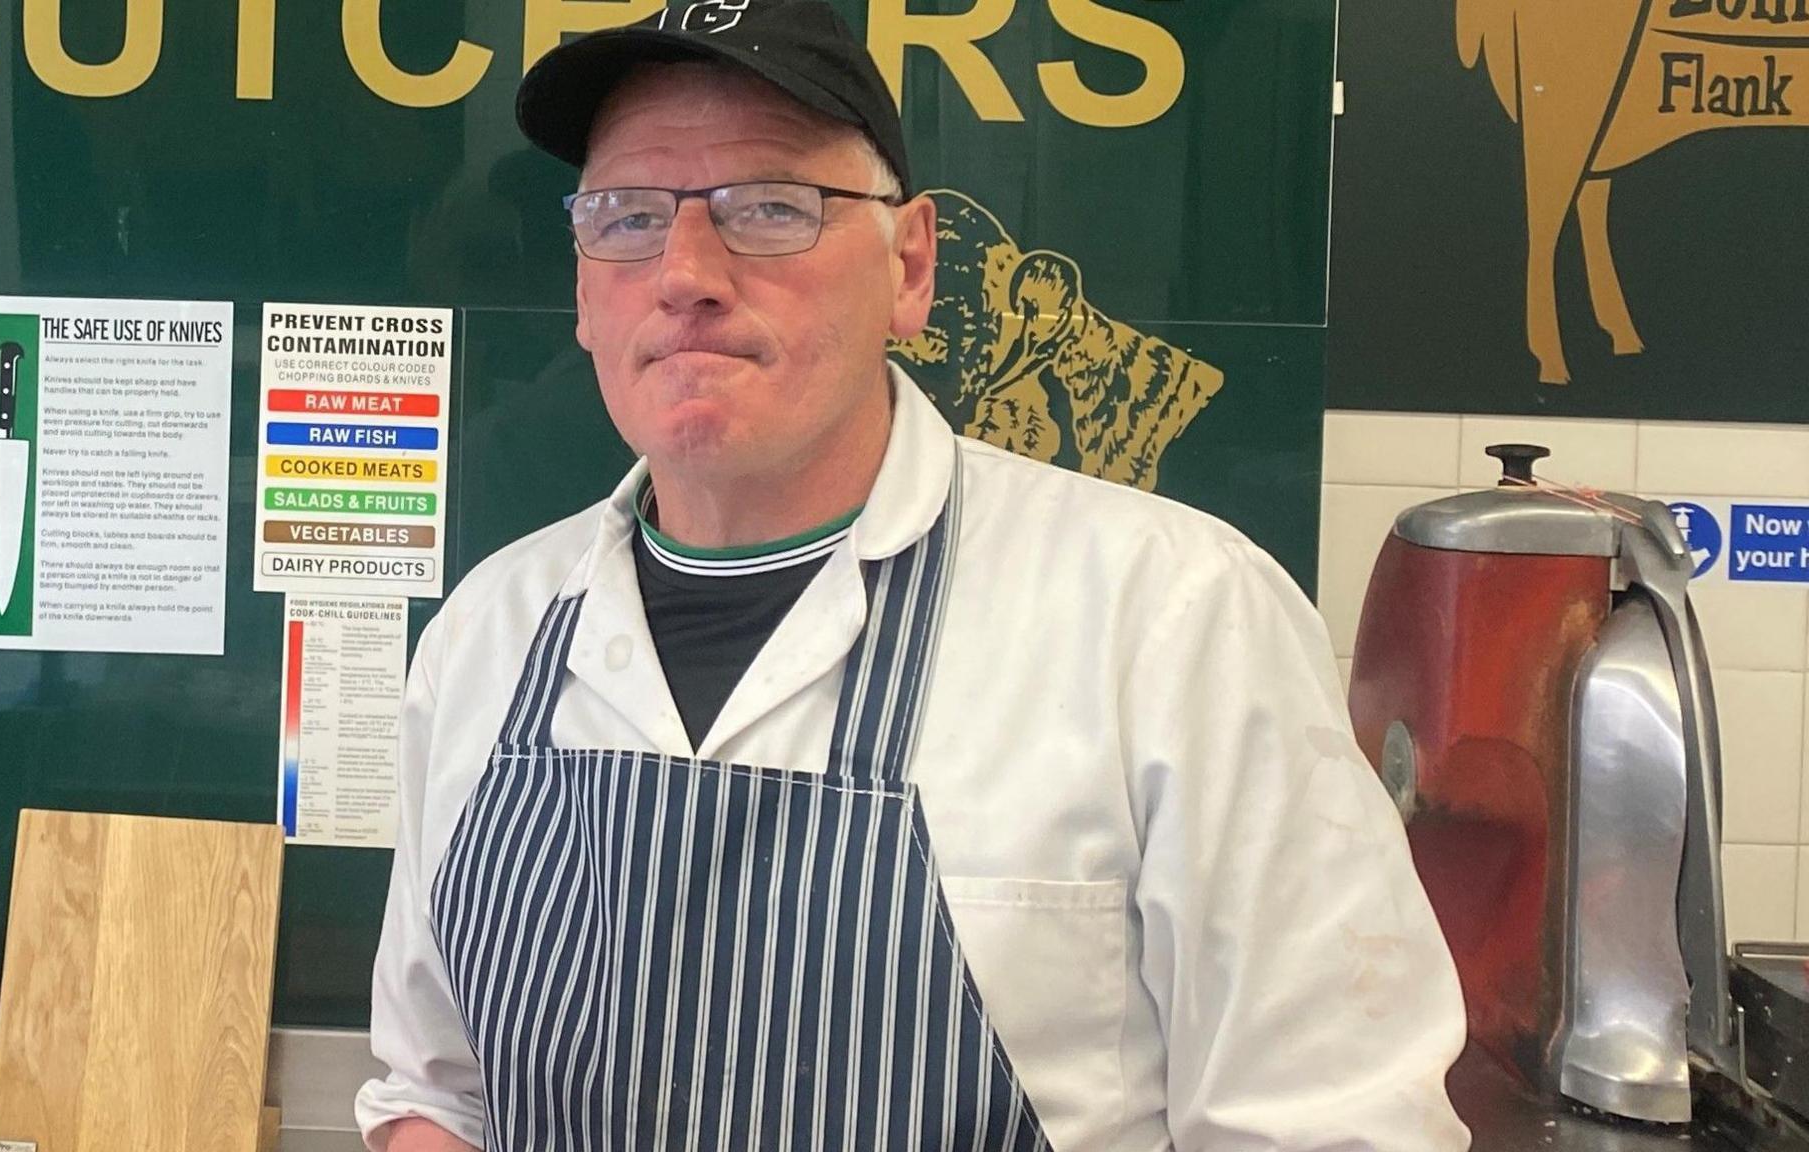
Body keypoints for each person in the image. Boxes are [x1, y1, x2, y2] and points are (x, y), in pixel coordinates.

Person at [357, 2, 1469, 1149]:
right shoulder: (488, 633)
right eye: (628, 218)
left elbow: (1333, 1127)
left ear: (911, 268)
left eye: (770, 209)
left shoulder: (1173, 619)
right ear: (586, 291)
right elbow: (435, 1091)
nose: (684, 273)